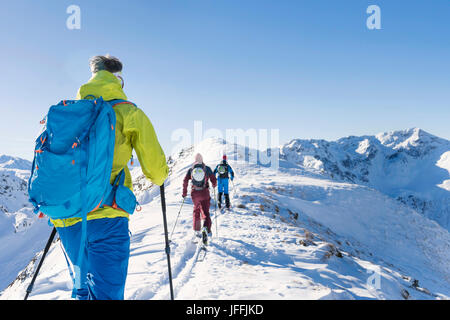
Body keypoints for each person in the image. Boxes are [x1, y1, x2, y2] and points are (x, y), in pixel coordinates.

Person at [52, 55, 169, 300]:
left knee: (81, 291)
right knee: (106, 295)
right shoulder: (128, 112)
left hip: (67, 219)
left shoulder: (71, 111)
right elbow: (157, 173)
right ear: (118, 78)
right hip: (107, 216)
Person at [182, 153, 217, 240]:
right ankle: (206, 229)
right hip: (204, 192)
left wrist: (184, 193)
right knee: (205, 211)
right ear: (202, 159)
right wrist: (214, 185)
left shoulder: (191, 170)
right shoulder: (207, 168)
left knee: (196, 210)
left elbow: (185, 181)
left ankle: (197, 231)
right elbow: (213, 179)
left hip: (195, 193)